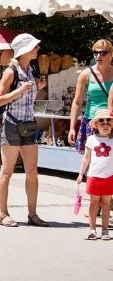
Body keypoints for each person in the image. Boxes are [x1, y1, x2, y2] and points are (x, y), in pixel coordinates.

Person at [0, 33, 48, 227]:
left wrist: (37, 88)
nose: (37, 49)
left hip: (28, 124)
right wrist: (19, 90)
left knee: (32, 171)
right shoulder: (11, 71)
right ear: (25, 49)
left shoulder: (31, 69)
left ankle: (32, 215)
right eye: (34, 47)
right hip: (11, 124)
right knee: (7, 171)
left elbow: (27, 99)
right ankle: (3, 214)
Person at [69, 39, 113, 152]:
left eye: (103, 52)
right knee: (91, 159)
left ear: (111, 54)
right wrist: (72, 128)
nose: (98, 56)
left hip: (111, 121)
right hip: (92, 121)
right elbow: (77, 102)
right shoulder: (86, 74)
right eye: (95, 52)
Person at [76, 109, 113, 240]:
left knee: (106, 204)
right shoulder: (91, 139)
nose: (105, 124)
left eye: (109, 121)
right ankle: (92, 229)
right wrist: (81, 174)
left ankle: (104, 230)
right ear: (96, 125)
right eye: (101, 121)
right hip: (94, 176)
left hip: (109, 177)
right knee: (94, 203)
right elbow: (86, 158)